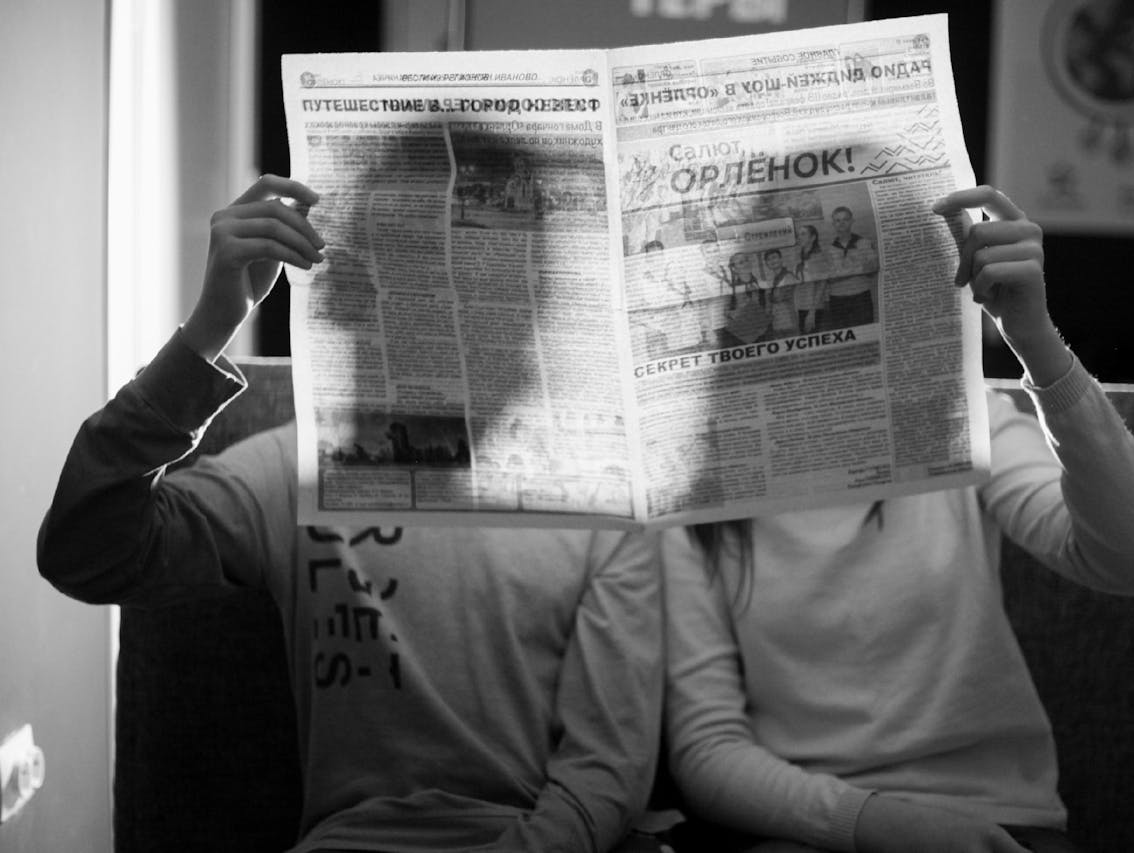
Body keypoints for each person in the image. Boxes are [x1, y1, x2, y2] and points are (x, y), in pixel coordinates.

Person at [37, 175, 664, 853]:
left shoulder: (605, 494)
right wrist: (209, 330)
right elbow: (86, 552)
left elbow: (606, 769)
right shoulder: (299, 468)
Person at [661, 186, 1134, 853]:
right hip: (809, 827)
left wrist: (1034, 341)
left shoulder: (966, 419)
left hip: (999, 819)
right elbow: (707, 751)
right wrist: (878, 823)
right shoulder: (689, 482)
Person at [823, 205, 879, 330]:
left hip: (861, 297)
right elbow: (828, 278)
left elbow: (873, 269)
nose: (841, 223)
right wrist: (859, 267)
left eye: (845, 219)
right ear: (833, 223)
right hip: (837, 299)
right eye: (837, 220)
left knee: (866, 334)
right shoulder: (827, 248)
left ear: (852, 221)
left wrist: (840, 272)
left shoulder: (864, 242)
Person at [794, 224, 830, 333]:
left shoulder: (819, 256)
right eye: (798, 235)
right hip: (800, 306)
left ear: (813, 237)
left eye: (803, 234)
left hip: (813, 307)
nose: (799, 237)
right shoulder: (797, 256)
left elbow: (822, 285)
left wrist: (812, 312)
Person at [763, 248, 799, 339]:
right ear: (766, 263)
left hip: (790, 322)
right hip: (776, 323)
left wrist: (768, 296)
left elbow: (779, 297)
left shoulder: (789, 276)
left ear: (781, 259)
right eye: (769, 259)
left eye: (774, 257)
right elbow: (769, 306)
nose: (772, 261)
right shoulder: (770, 280)